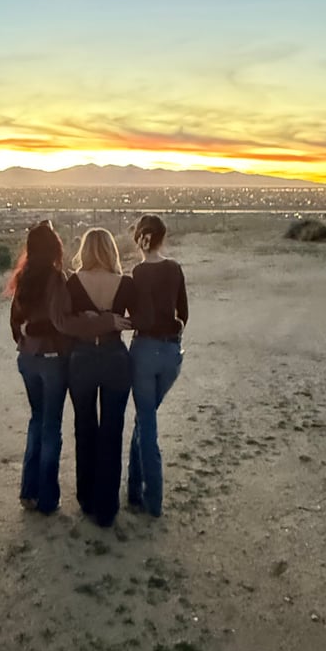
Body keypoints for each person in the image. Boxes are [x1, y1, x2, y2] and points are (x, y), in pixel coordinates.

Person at [8, 221, 128, 515]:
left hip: (27, 358)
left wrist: (26, 340)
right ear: (54, 248)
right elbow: (63, 321)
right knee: (51, 427)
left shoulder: (23, 277)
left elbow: (15, 320)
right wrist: (103, 321)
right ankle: (49, 500)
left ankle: (29, 491)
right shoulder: (56, 278)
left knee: (38, 422)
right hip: (52, 359)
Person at [66, 228, 135, 527]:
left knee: (84, 427)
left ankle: (87, 498)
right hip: (115, 358)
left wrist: (89, 322)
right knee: (112, 431)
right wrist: (112, 321)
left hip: (81, 359)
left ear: (86, 250)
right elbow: (139, 318)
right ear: (110, 251)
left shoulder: (72, 283)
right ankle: (107, 507)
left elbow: (65, 325)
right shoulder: (125, 283)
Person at [127, 214, 188, 518]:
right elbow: (184, 314)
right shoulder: (175, 269)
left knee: (146, 424)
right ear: (162, 238)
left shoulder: (137, 274)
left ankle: (152, 500)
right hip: (170, 353)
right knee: (144, 420)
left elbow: (136, 317)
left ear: (140, 239)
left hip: (143, 352)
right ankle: (134, 491)